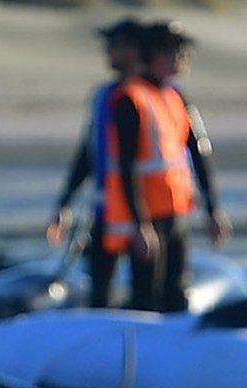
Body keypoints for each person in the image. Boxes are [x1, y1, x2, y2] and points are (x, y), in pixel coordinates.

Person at [100, 21, 230, 313]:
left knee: (177, 289)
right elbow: (125, 166)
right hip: (147, 217)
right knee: (145, 293)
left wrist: (213, 208)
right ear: (153, 54)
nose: (182, 58)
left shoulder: (176, 97)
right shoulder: (129, 99)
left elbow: (198, 154)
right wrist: (139, 225)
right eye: (174, 51)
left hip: (176, 212)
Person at [46, 18, 145, 308]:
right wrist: (64, 202)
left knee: (145, 291)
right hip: (107, 209)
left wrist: (141, 221)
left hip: (144, 211)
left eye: (116, 46)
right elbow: (88, 153)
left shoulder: (145, 97)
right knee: (99, 282)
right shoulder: (104, 96)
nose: (109, 52)